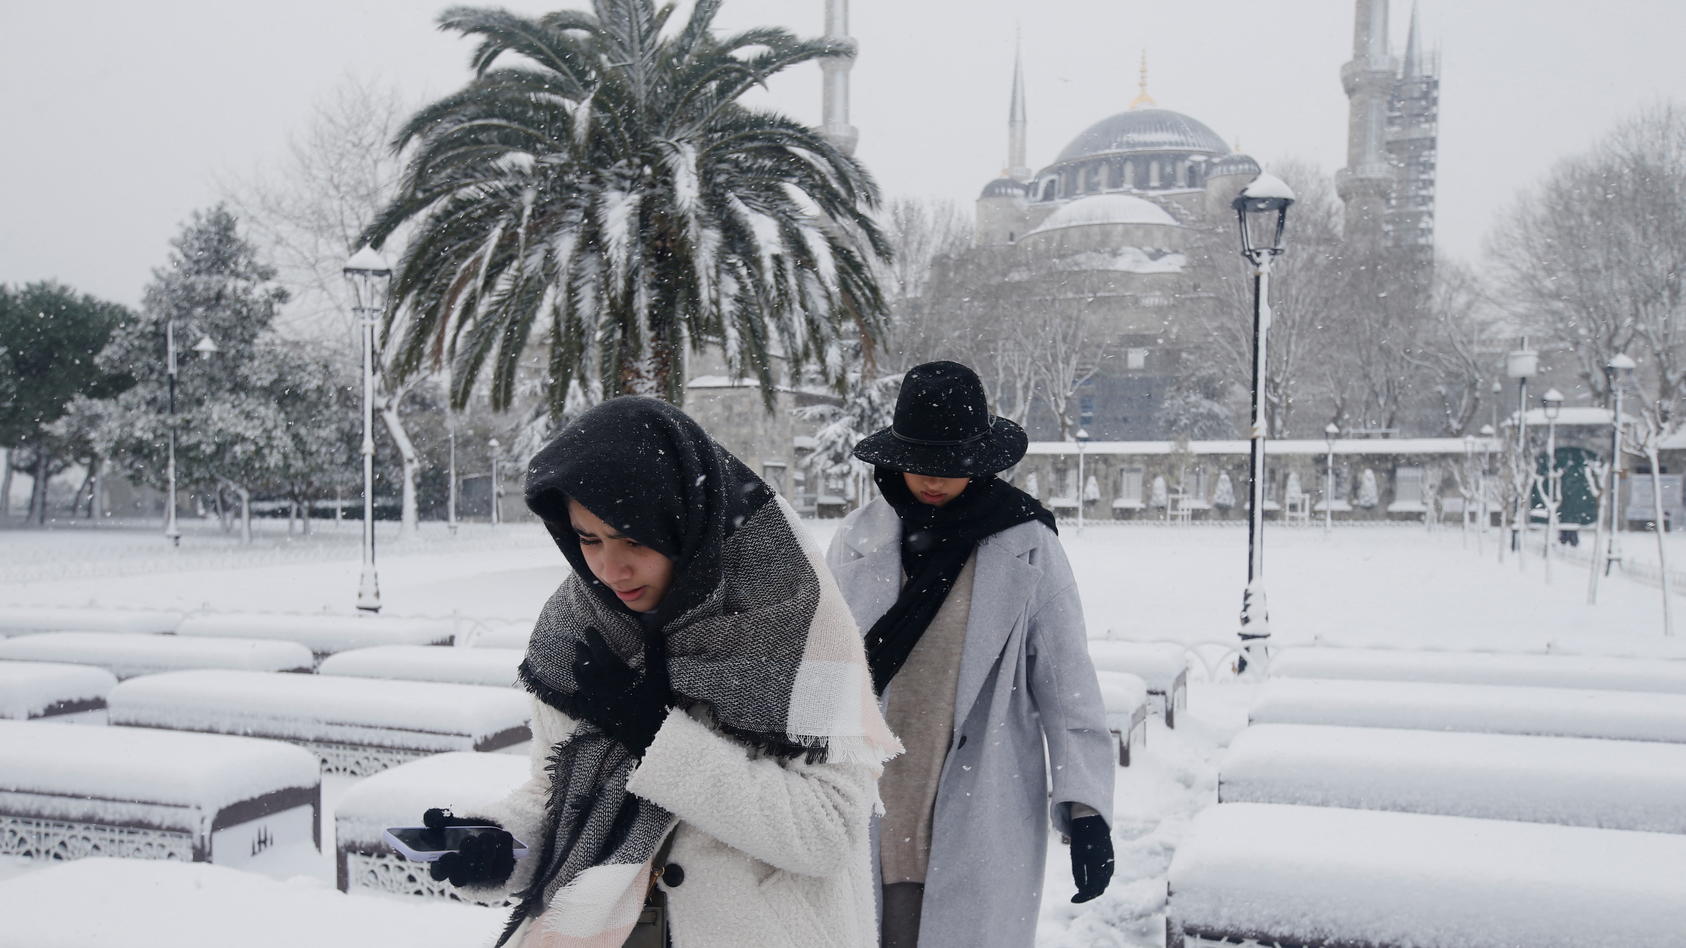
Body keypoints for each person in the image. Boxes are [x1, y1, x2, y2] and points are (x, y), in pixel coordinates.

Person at [423, 396, 900, 948]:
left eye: (635, 539)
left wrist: (656, 737)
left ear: (687, 524)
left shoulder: (801, 623)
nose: (609, 567)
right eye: (588, 539)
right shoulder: (579, 629)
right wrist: (502, 846)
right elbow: (560, 791)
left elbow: (829, 829)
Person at [825, 361, 1116, 948]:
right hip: (873, 806)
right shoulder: (856, 540)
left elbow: (1066, 686)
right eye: (921, 462)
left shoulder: (1025, 543)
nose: (933, 481)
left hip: (982, 803)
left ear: (980, 460)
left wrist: (1087, 812)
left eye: (950, 465)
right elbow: (819, 676)